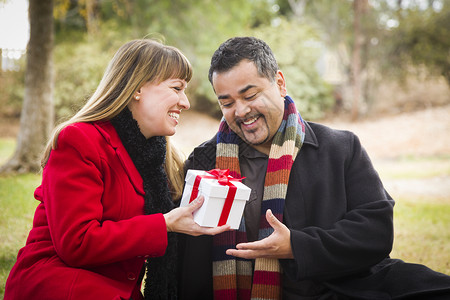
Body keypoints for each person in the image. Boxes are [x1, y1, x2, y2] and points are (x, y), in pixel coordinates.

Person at [177, 36, 450, 299]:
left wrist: (296, 246)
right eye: (227, 103)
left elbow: (376, 232)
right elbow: (185, 259)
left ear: (280, 84)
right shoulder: (204, 162)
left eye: (250, 95)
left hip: (340, 291)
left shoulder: (340, 148)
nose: (241, 111)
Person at [4, 39, 229, 300]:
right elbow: (77, 243)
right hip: (60, 284)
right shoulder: (78, 140)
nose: (186, 102)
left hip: (116, 290)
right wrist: (164, 224)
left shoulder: (158, 158)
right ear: (137, 89)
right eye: (177, 88)